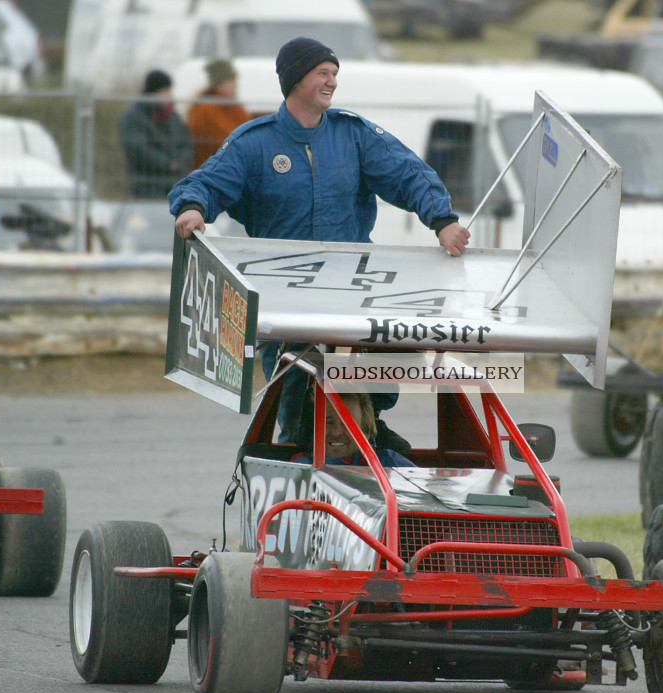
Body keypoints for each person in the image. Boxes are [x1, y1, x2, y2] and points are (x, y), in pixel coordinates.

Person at [169, 36, 470, 443]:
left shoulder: (355, 135)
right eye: (322, 74)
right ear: (295, 80)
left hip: (355, 292)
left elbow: (408, 174)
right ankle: (297, 446)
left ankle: (369, 433)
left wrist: (443, 221)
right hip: (286, 296)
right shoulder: (253, 142)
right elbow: (206, 183)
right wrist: (193, 208)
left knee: (384, 360)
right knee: (297, 388)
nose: (332, 82)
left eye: (334, 74)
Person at [120, 69, 193, 198]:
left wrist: (180, 164)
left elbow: (187, 143)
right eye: (165, 91)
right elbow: (139, 150)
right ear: (153, 92)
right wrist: (168, 164)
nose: (170, 95)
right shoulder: (134, 116)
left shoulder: (172, 116)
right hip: (147, 185)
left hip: (174, 183)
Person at [291, 392, 415, 468]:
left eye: (348, 423)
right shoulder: (301, 467)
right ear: (314, 428)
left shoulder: (389, 463)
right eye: (328, 422)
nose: (336, 432)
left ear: (366, 432)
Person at [186, 58, 252, 168]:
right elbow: (226, 141)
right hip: (209, 172)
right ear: (219, 84)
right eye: (230, 80)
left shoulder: (235, 107)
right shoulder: (206, 109)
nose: (235, 84)